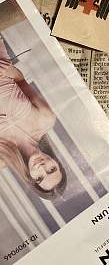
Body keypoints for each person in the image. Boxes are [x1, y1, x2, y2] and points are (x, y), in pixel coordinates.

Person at [0, 36, 66, 199]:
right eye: (52, 169)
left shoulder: (2, 159)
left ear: (30, 178)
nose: (43, 167)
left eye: (39, 177)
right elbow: (20, 80)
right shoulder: (46, 119)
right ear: (57, 163)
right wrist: (10, 71)